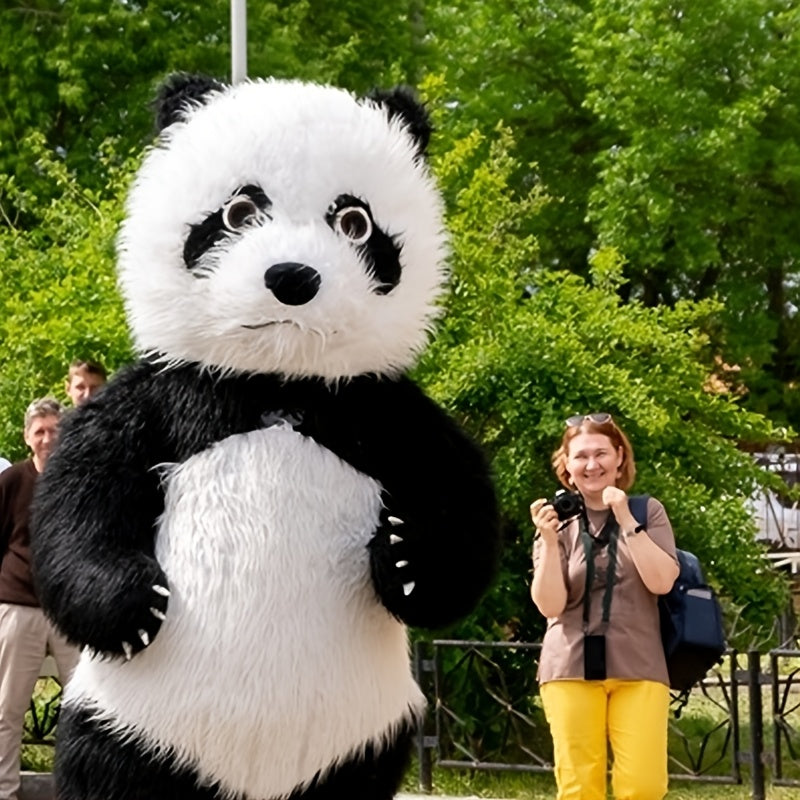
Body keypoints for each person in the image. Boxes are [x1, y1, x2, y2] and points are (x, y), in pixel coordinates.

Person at [529, 413, 680, 800]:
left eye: (601, 454)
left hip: (639, 665)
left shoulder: (648, 512)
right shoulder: (556, 523)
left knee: (644, 786)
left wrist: (625, 517)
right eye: (580, 456)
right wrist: (547, 541)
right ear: (566, 464)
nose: (591, 465)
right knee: (580, 787)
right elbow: (550, 606)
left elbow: (662, 581)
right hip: (569, 665)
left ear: (618, 457)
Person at [0, 398, 80, 800]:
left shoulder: (78, 481)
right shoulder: (11, 481)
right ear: (27, 437)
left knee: (86, 712)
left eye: (55, 429)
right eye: (40, 431)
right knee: (7, 711)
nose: (49, 438)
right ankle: (5, 791)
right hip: (18, 610)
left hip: (69, 613)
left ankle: (78, 790)